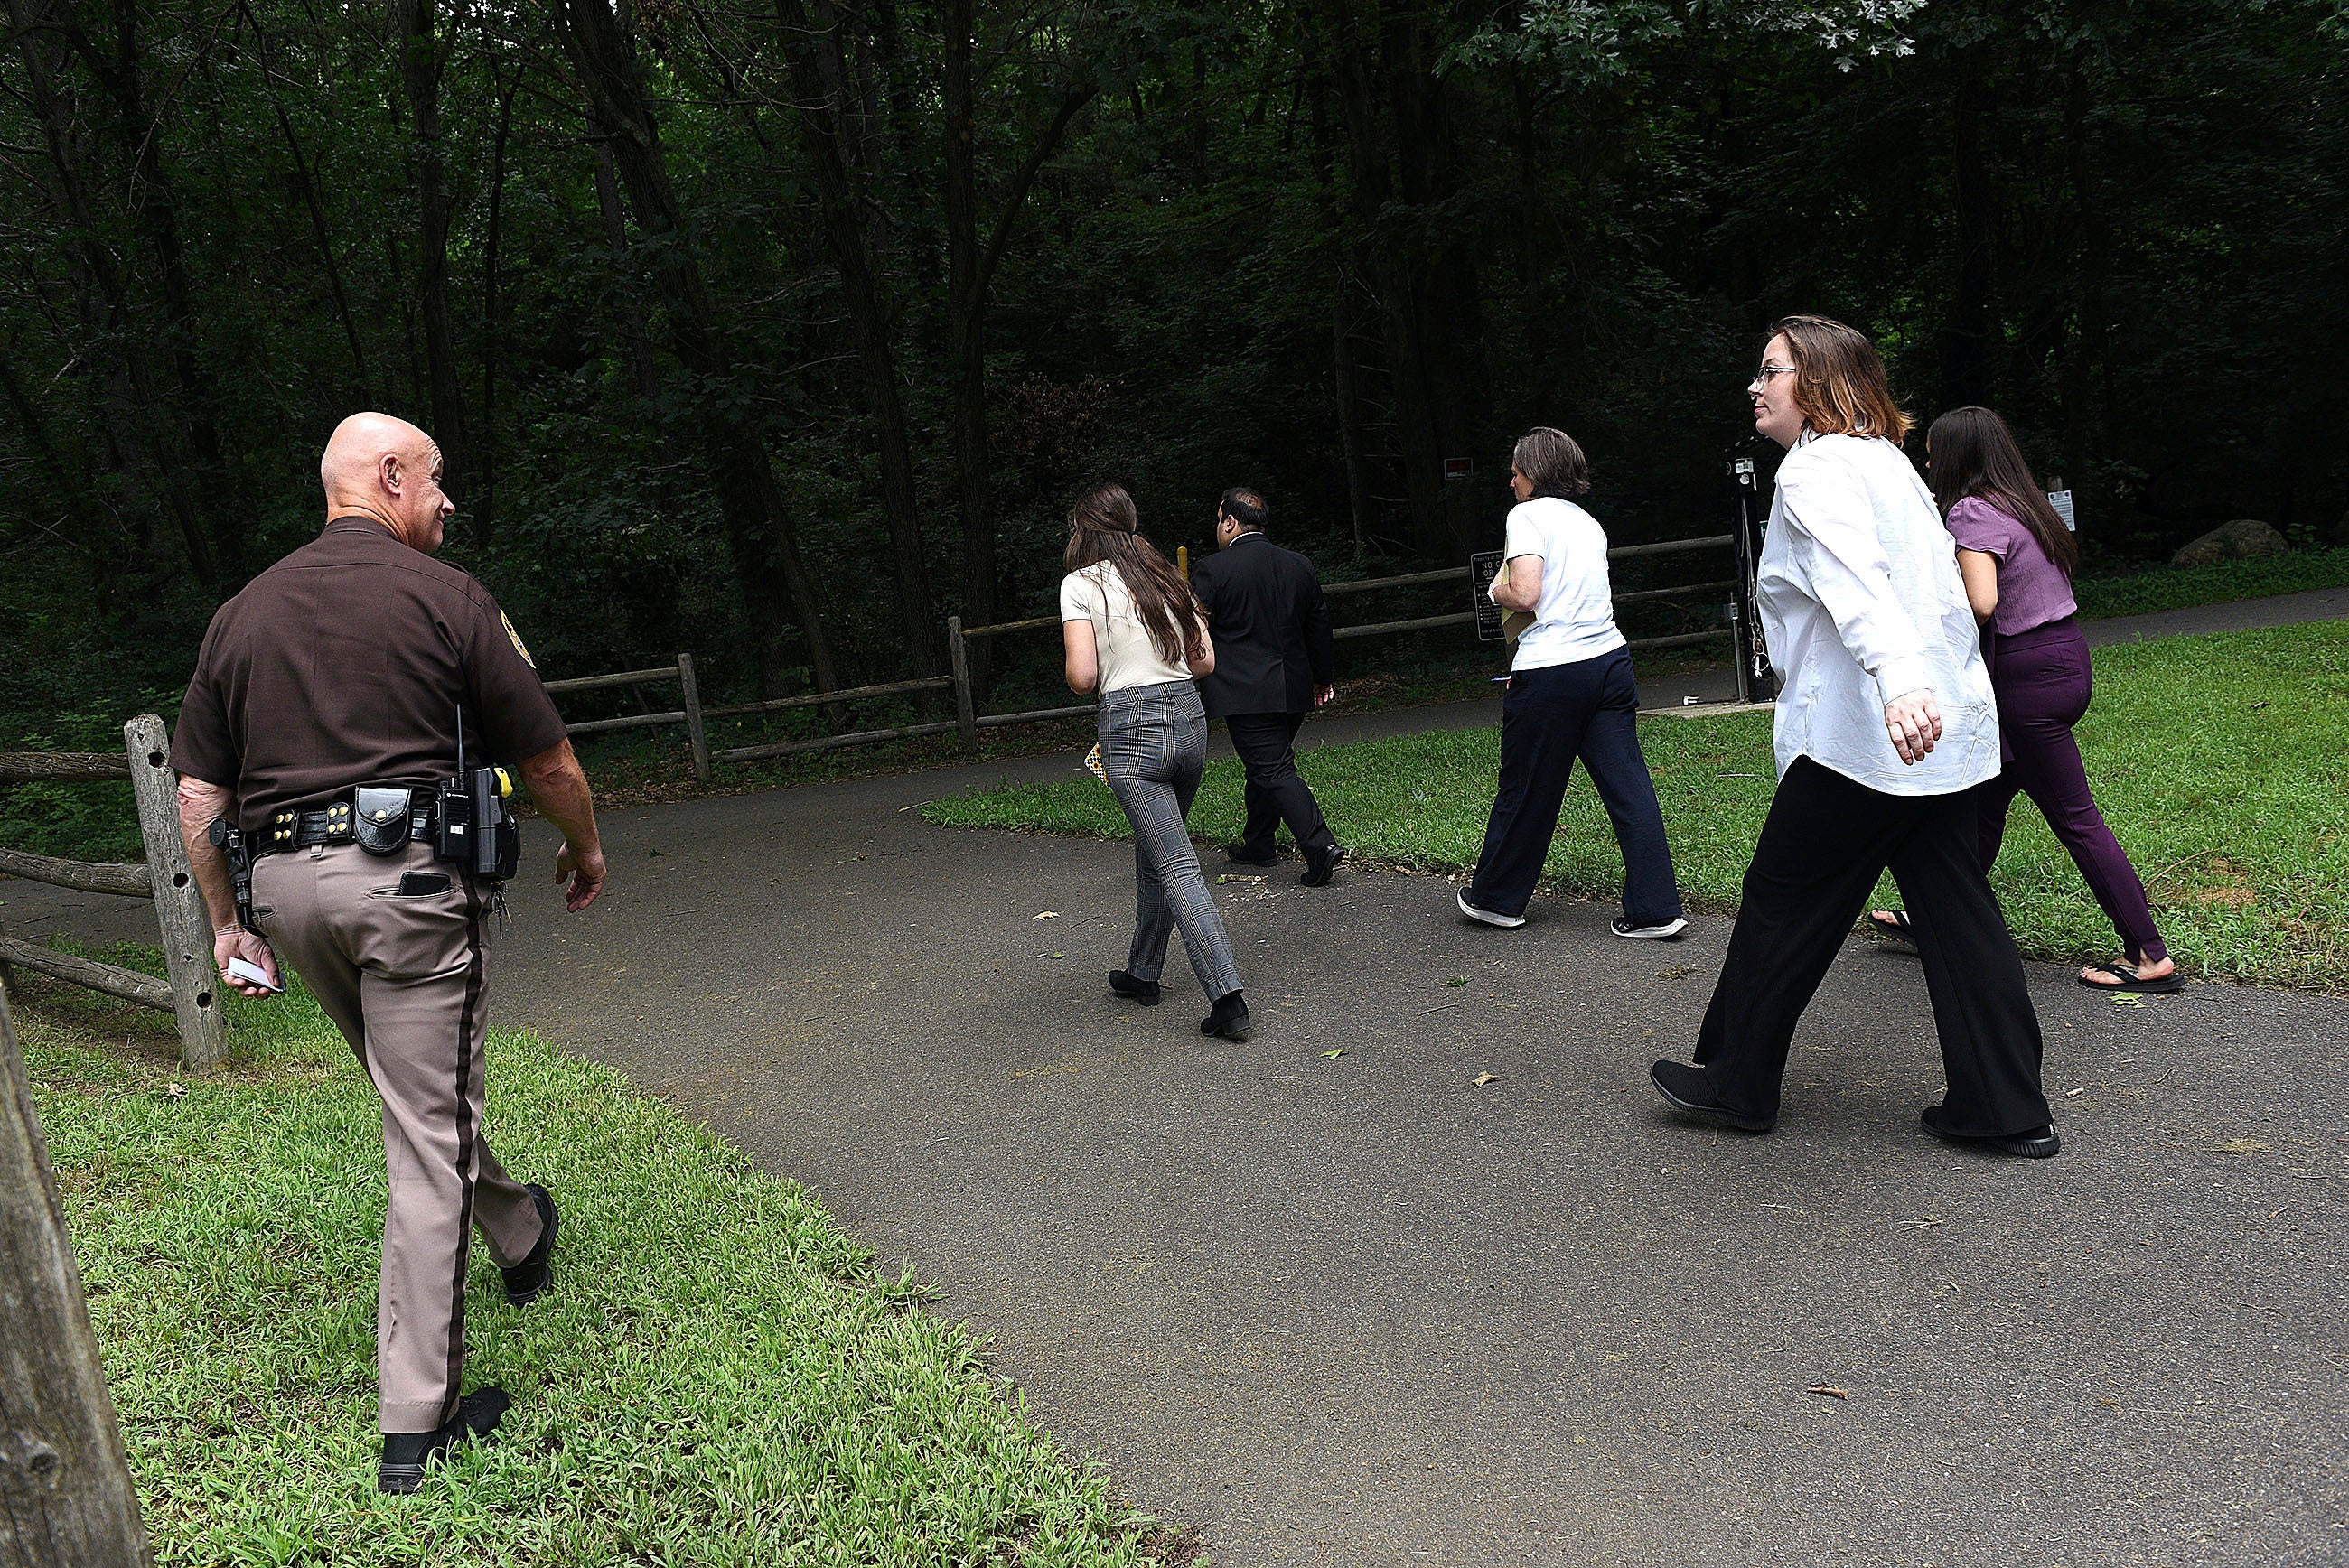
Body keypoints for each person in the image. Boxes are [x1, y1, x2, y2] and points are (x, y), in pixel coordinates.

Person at [173, 413, 609, 1491]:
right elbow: (546, 756)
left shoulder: (239, 613)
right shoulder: (451, 599)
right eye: (437, 480)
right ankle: (417, 1425)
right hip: (411, 887)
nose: (447, 501)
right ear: (387, 475)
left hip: (285, 894)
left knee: (413, 1097)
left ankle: (517, 1225)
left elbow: (197, 796)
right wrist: (585, 844)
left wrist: (230, 925)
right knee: (421, 1132)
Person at [1649, 317, 2059, 1158]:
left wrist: (1901, 683)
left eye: (1773, 371)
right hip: (1940, 738)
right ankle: (2006, 1108)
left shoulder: (1817, 469)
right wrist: (1930, 690)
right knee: (1957, 913)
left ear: (1824, 384)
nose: (1757, 387)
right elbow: (1940, 597)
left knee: (1779, 902)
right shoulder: (1891, 466)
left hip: (1868, 738)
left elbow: (1858, 586)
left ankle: (1736, 1081)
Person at [1869, 406, 2177, 994]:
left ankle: (2149, 953)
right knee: (1984, 806)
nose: (1928, 462)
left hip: (2024, 679)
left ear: (1959, 456)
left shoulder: (1971, 511)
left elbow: (1981, 602)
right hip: (2065, 657)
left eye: (1934, 451)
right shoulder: (2023, 501)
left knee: (2077, 820)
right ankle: (1932, 918)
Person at [1456, 427, 1688, 939]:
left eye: (1515, 471)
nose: (1510, 480)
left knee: (1527, 788)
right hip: (1609, 661)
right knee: (1629, 787)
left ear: (1533, 473)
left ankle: (1496, 899)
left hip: (1550, 671)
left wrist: (1498, 588)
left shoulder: (1526, 516)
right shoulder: (1589, 523)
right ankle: (1656, 909)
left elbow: (1527, 592)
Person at [1060, 482, 1251, 1041]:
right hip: (1189, 721)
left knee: (1175, 864)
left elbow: (1082, 677)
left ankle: (1228, 997)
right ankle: (1144, 971)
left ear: (1084, 530)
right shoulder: (1167, 576)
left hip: (1131, 727)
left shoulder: (1080, 585)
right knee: (1158, 846)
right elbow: (1205, 661)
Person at [1187, 486, 1345, 886]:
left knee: (1272, 767)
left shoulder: (1213, 570)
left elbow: (1193, 629)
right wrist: (1322, 677)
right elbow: (1319, 627)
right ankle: (1259, 844)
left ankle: (1319, 845)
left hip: (1244, 692)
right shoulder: (1298, 565)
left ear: (1230, 522)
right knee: (1265, 765)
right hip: (1293, 686)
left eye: (1218, 520)